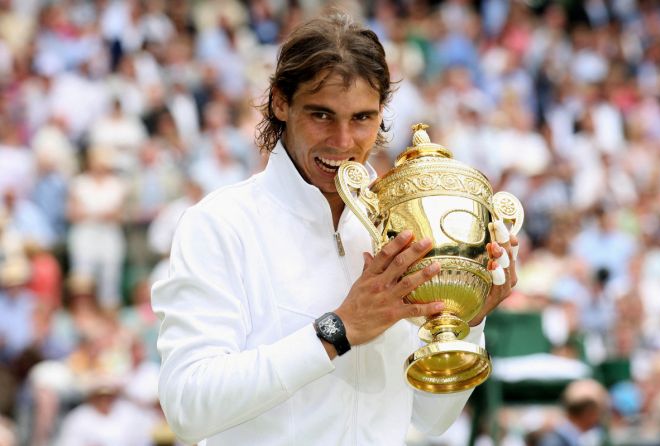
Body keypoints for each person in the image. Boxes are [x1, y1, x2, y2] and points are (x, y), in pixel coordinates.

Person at [152, 12, 518, 446]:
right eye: (322, 115)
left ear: (381, 115)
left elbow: (431, 417)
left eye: (362, 118)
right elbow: (188, 408)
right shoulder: (220, 224)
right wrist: (336, 331)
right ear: (280, 102)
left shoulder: (402, 230)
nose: (343, 142)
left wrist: (467, 322)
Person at [538, 379, 609, 446]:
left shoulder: (565, 439)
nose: (600, 418)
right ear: (588, 412)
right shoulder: (554, 442)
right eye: (601, 411)